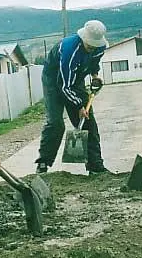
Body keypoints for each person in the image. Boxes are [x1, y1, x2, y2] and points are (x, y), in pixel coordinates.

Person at [35, 20, 109, 174]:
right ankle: (43, 164)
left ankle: (95, 166)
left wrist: (95, 76)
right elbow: (64, 86)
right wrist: (79, 106)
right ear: (83, 39)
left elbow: (94, 63)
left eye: (94, 46)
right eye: (89, 45)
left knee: (88, 123)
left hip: (75, 81)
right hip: (53, 82)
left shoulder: (100, 48)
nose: (91, 48)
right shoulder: (69, 50)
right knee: (55, 124)